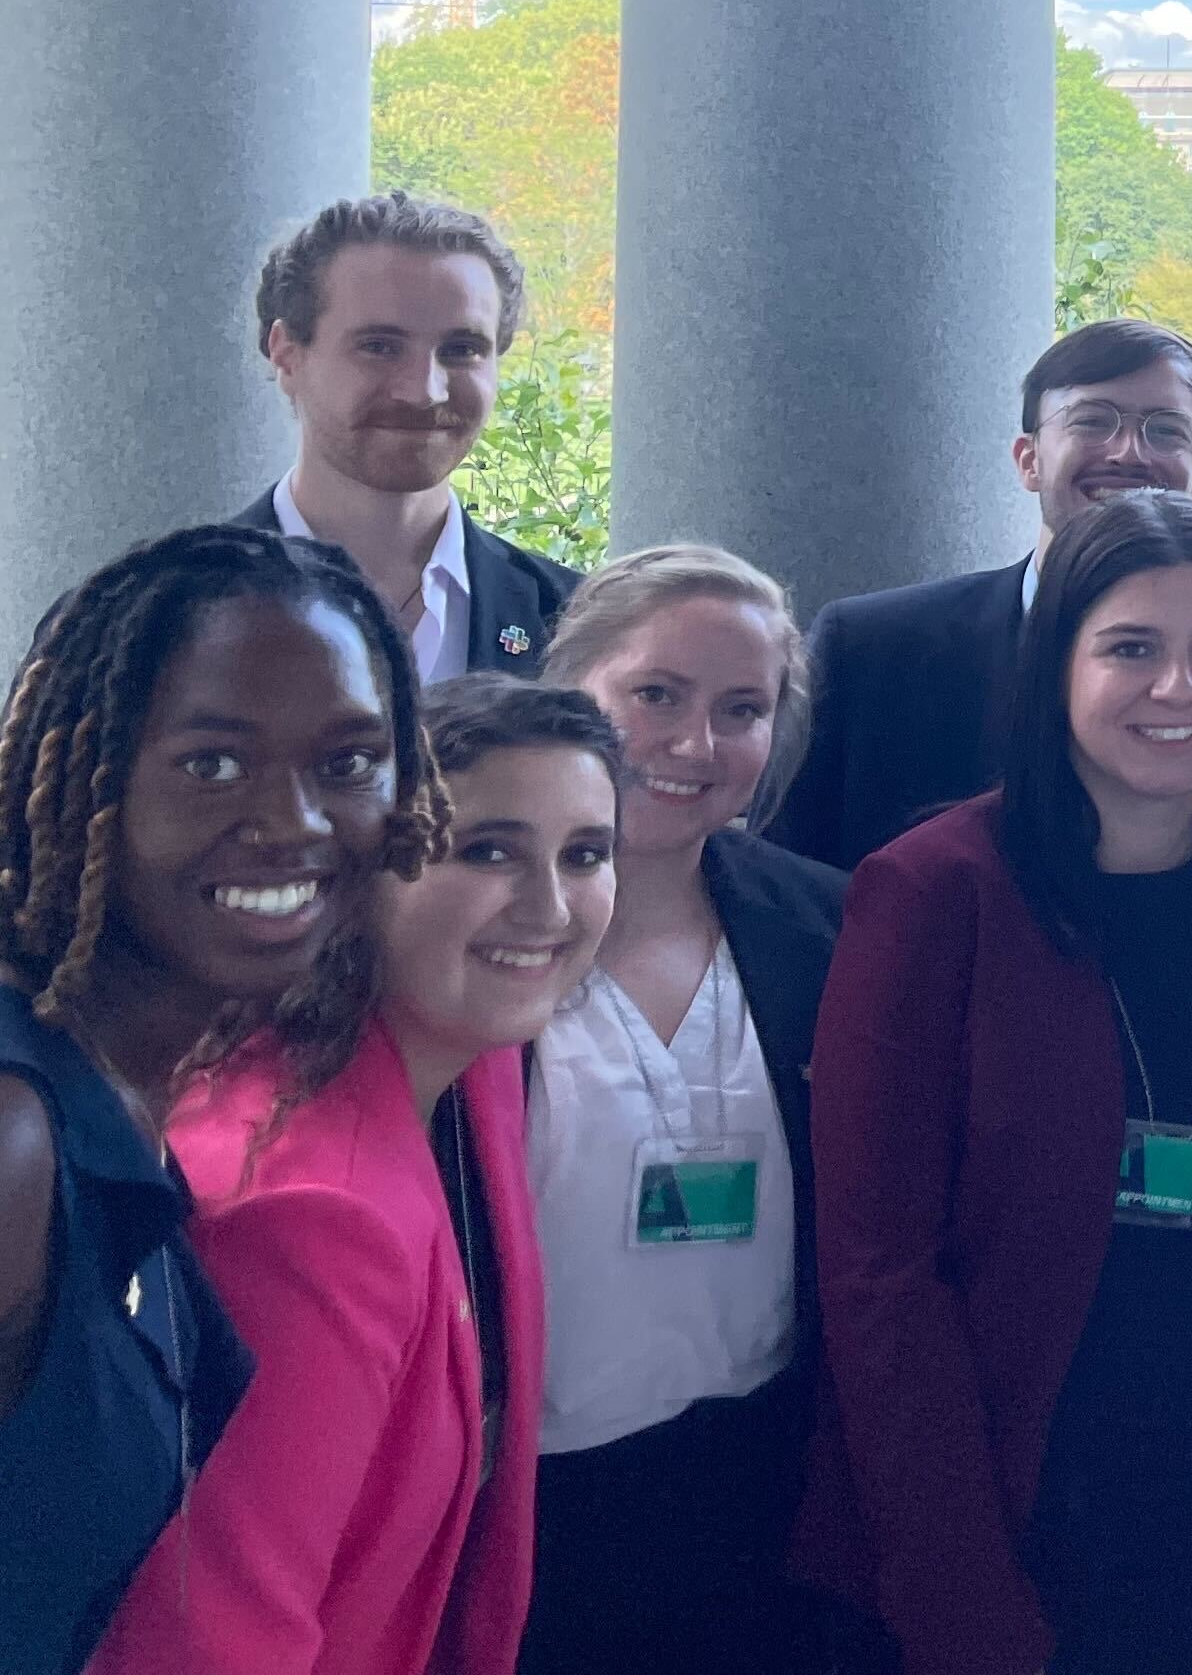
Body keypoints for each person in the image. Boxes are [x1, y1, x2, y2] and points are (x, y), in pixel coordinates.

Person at [801, 490, 1192, 1675]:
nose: (1180, 688)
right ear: (1055, 661)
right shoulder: (932, 892)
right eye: (1132, 647)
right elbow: (879, 1278)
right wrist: (961, 1599)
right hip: (1004, 1508)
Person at [101, 673, 622, 1675]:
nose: (551, 906)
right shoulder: (308, 1215)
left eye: (586, 855)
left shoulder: (476, 1063)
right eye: (487, 850)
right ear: (359, 871)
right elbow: (213, 1635)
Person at [1, 526, 436, 1675]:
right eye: (211, 764)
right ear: (89, 769)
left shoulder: (136, 1078)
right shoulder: (16, 1135)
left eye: (348, 763)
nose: (293, 821)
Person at [522, 549, 853, 1675]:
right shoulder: (470, 927)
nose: (696, 744)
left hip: (767, 1493)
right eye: (655, 695)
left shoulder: (832, 929)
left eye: (742, 710)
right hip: (527, 1504)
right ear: (573, 694)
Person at [771, 317, 1192, 867]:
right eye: (1092, 421)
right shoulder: (870, 652)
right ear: (1029, 460)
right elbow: (786, 885)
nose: (1128, 453)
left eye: (1164, 429)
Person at [236, 192, 580, 682]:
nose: (424, 391)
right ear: (287, 353)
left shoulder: (575, 628)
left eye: (461, 350)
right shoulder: (159, 616)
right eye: (379, 346)